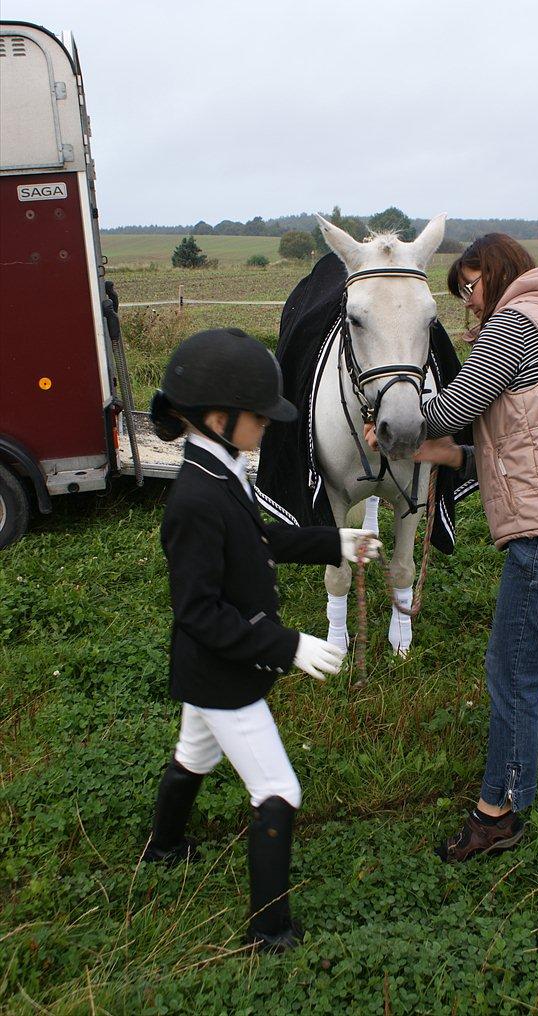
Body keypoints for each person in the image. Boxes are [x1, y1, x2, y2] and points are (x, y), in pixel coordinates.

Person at [365, 234, 538, 862]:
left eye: (470, 285)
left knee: (512, 671)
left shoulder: (514, 324)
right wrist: (439, 454)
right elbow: (514, 444)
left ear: (498, 272)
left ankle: (499, 811)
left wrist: (398, 427)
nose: (470, 302)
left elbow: (448, 409)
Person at [143, 328, 380, 952]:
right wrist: (287, 646)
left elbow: (261, 539)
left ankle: (162, 848)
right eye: (258, 415)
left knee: (195, 754)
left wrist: (335, 542)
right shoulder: (194, 500)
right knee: (278, 792)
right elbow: (199, 613)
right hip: (222, 675)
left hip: (210, 671)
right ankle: (269, 931)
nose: (268, 424)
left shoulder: (222, 470)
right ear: (218, 418)